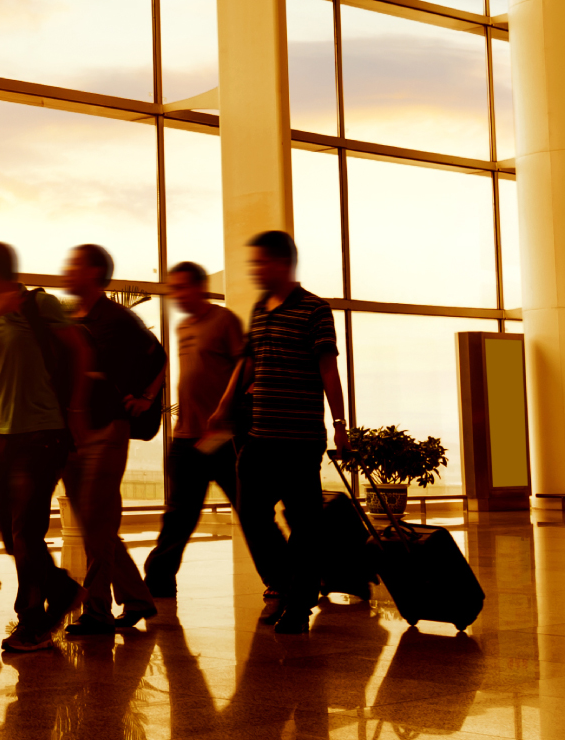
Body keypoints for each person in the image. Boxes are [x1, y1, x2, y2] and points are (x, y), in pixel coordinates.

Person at [207, 231, 349, 635]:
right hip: (261, 433)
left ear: (283, 264)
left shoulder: (315, 310)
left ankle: (298, 606)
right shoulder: (259, 309)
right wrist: (224, 403)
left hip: (301, 437)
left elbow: (328, 370)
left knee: (303, 522)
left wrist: (340, 425)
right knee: (251, 512)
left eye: (261, 263)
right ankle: (287, 585)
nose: (255, 271)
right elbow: (249, 362)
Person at [0, 241, 93, 652]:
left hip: (45, 430)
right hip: (9, 433)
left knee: (26, 530)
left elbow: (80, 351)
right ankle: (63, 591)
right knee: (9, 528)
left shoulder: (41, 305)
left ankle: (33, 621)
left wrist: (76, 410)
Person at [142, 261, 278, 599]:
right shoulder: (184, 326)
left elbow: (246, 363)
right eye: (173, 289)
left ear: (200, 288)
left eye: (182, 287)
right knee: (178, 516)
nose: (177, 295)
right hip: (186, 438)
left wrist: (226, 406)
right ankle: (158, 582)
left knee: (251, 512)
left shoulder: (223, 320)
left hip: (223, 438)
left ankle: (284, 580)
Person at [56, 244, 162, 636]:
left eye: (76, 264)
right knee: (93, 524)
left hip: (105, 430)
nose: (68, 269)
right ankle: (137, 599)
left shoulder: (118, 319)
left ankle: (98, 611)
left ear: (95, 273)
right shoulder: (67, 317)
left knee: (97, 521)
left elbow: (158, 357)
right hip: (72, 433)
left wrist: (146, 398)